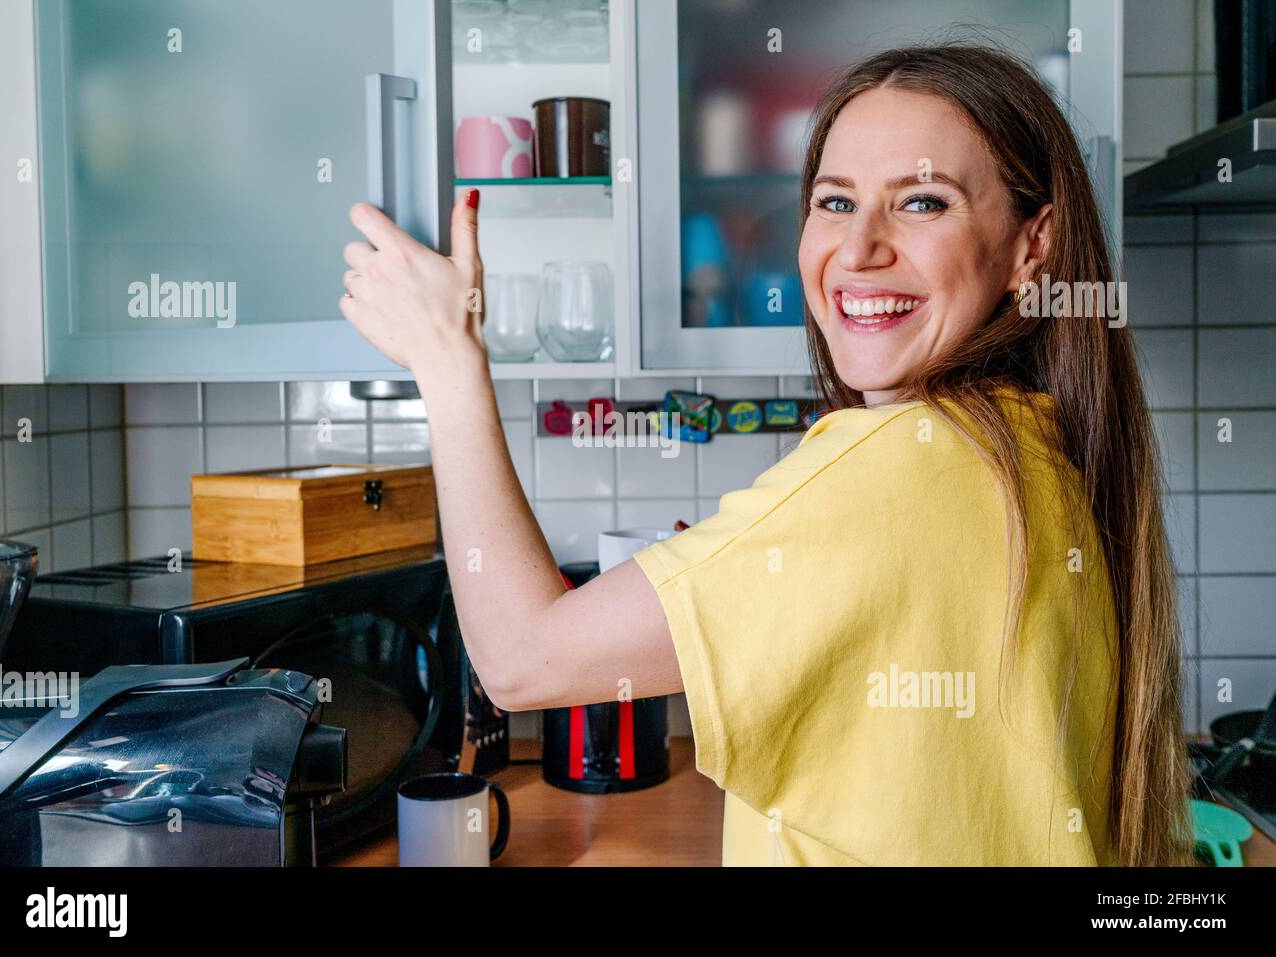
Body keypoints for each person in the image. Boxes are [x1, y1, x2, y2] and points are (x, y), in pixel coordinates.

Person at [339, 45, 1193, 866]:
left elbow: (522, 659)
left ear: (1029, 247)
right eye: (835, 201)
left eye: (922, 202)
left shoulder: (895, 471)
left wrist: (448, 360)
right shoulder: (1035, 443)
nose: (858, 250)